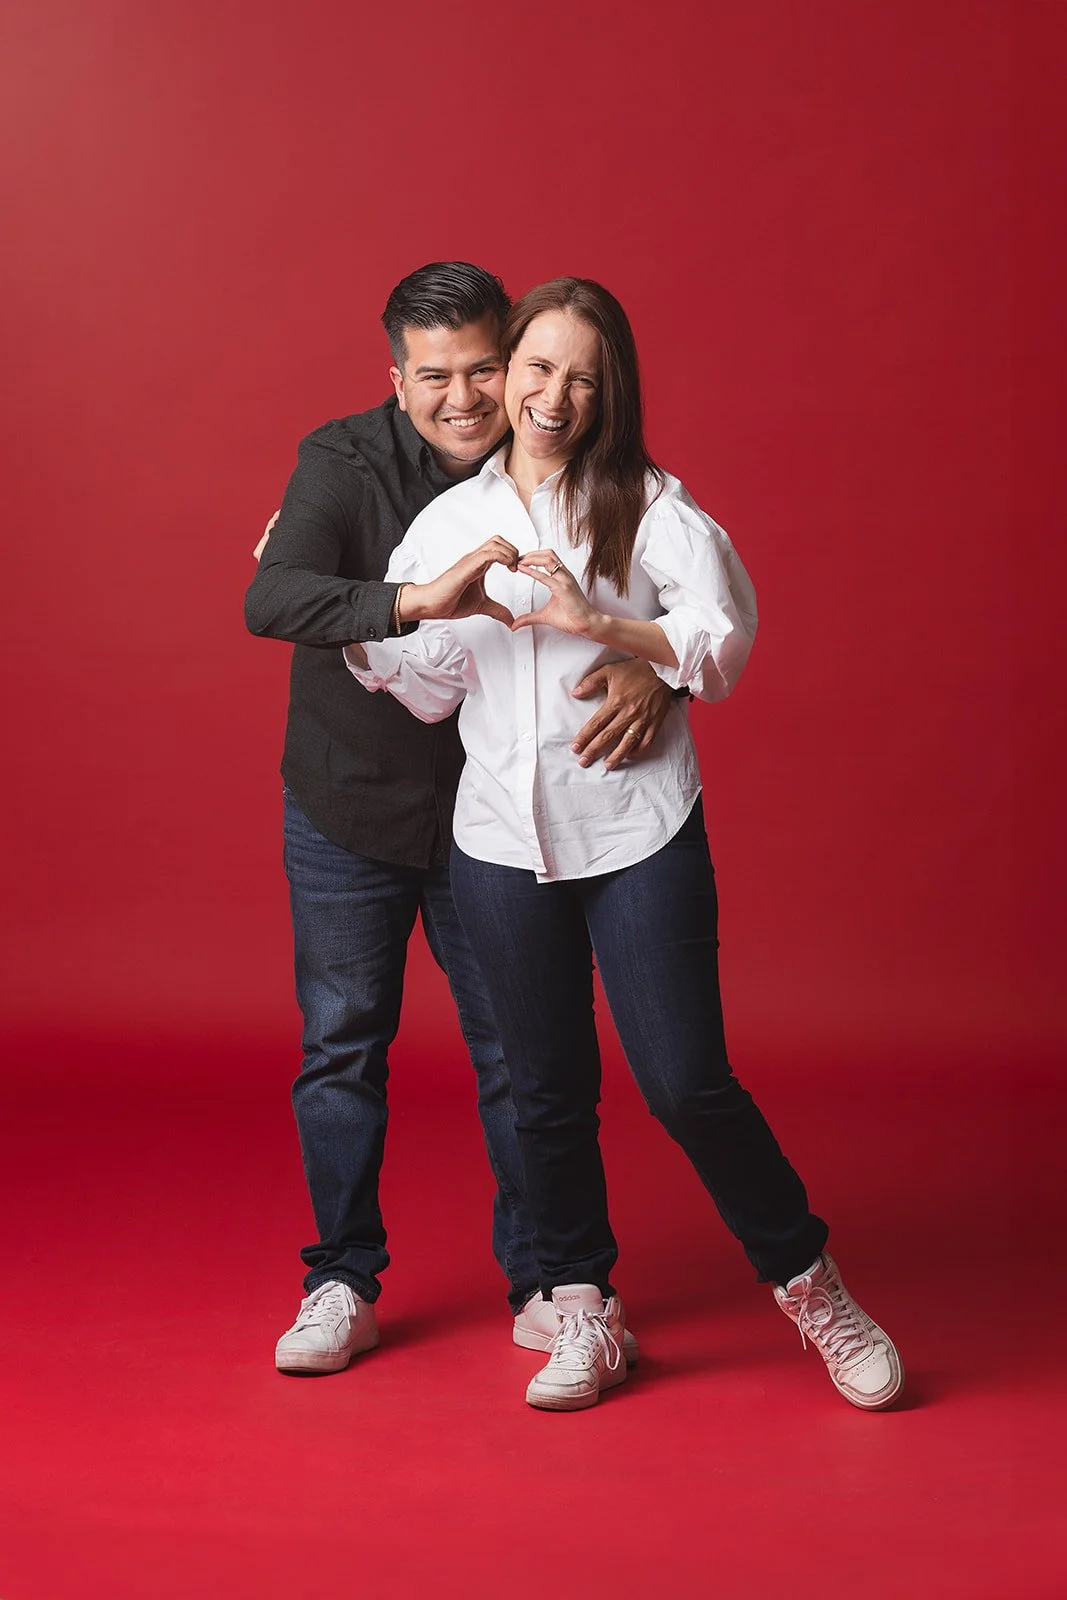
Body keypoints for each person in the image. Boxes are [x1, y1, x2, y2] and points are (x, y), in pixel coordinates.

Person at [346, 276, 904, 1413]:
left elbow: (721, 639)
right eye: (538, 368)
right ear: (506, 372)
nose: (555, 397)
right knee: (542, 1093)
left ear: (612, 394)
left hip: (636, 826)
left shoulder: (646, 503)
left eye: (584, 379)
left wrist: (611, 632)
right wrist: (367, 611)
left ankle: (811, 1286)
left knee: (687, 1082)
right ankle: (582, 1306)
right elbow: (425, 689)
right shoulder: (450, 522)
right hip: (498, 844)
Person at [244, 263, 668, 1374]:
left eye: (485, 367)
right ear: (396, 380)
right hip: (346, 805)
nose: (466, 398)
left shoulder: (567, 452)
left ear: (516, 360)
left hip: (497, 819)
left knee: (524, 1054)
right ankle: (338, 1281)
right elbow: (270, 594)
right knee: (341, 1047)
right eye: (434, 377)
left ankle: (551, 1280)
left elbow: (674, 601)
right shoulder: (342, 460)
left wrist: (660, 674)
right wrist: (408, 599)